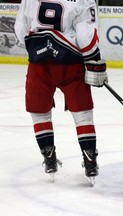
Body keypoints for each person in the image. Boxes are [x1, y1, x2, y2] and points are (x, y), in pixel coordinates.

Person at [14, 0, 107, 185]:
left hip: (39, 62)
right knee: (83, 114)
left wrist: (35, 49)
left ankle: (49, 156)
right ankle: (90, 160)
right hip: (70, 61)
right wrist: (92, 58)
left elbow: (21, 28)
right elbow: (85, 32)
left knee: (39, 112)